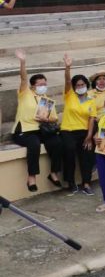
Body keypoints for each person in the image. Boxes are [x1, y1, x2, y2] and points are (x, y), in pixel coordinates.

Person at [11, 49, 62, 192]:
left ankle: (54, 173)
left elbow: (54, 118)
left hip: (42, 130)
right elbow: (23, 79)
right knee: (34, 145)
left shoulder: (47, 100)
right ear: (33, 85)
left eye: (44, 83)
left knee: (57, 142)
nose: (42, 86)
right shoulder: (25, 93)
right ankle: (31, 177)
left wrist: (47, 118)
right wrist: (23, 62)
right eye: (40, 84)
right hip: (25, 131)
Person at [60, 56, 96, 195]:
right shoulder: (69, 95)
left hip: (84, 132)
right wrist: (68, 67)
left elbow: (92, 119)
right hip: (68, 131)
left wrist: (89, 136)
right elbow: (67, 81)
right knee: (69, 152)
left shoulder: (91, 101)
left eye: (82, 85)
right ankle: (70, 182)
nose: (80, 87)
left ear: (86, 85)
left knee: (86, 155)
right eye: (78, 85)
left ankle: (86, 183)